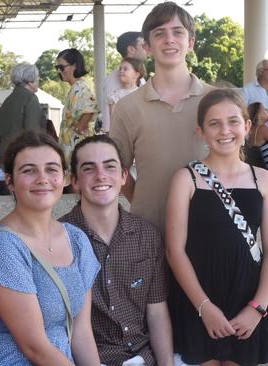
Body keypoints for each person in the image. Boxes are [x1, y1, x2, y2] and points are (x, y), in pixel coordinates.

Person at [166, 89, 268, 365]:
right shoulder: (186, 178)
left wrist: (257, 308)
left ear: (247, 126)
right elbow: (174, 251)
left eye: (233, 121)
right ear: (201, 131)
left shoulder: (263, 179)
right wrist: (204, 307)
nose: (224, 131)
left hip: (248, 297)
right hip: (198, 297)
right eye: (214, 123)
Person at [0, 131, 101, 365]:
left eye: (52, 169)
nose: (42, 178)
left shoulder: (76, 239)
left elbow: (81, 332)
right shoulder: (4, 246)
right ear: (9, 181)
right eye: (29, 170)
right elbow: (35, 347)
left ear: (64, 178)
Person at [60, 134, 173, 366]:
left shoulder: (147, 235)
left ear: (123, 176)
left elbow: (157, 313)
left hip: (143, 358)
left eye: (110, 167)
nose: (101, 175)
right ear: (75, 181)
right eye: (89, 169)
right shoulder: (60, 238)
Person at [110, 2, 214, 232]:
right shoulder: (127, 107)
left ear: (191, 42)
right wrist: (147, 203)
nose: (169, 39)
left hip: (210, 229)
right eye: (160, 34)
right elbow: (118, 171)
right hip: (149, 231)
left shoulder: (216, 100)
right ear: (147, 46)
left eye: (178, 32)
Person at [56, 48, 98, 162]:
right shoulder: (76, 87)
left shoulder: (80, 87)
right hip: (70, 147)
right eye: (57, 68)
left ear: (74, 65)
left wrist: (79, 128)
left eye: (61, 67)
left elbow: (90, 109)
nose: (59, 71)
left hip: (76, 148)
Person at [0, 62, 46, 156]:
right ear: (29, 81)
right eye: (37, 77)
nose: (39, 80)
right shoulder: (31, 98)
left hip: (5, 155)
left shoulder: (7, 101)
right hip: (24, 157)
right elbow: (33, 133)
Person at [102, 31, 148, 131]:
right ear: (131, 49)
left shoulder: (142, 79)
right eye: (143, 45)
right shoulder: (114, 79)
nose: (147, 48)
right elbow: (108, 119)